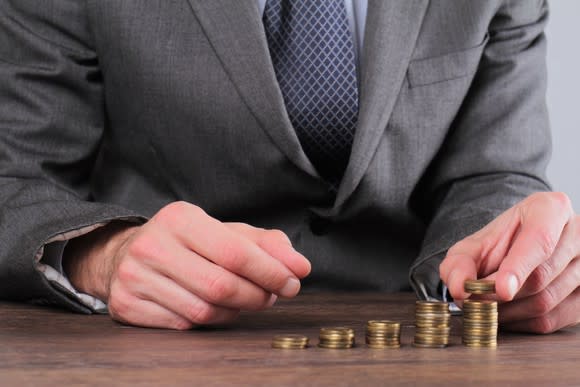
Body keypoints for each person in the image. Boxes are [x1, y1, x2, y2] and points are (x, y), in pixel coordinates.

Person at [0, 0, 577, 333]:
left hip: (416, 337)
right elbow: (13, 179)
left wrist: (506, 260)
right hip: (160, 338)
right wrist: (105, 254)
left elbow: (493, 173)